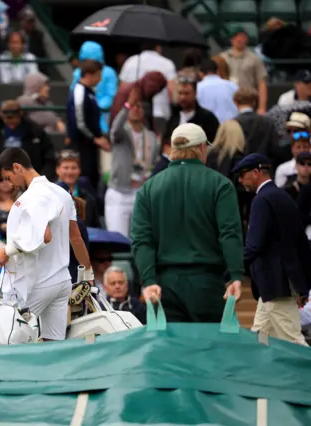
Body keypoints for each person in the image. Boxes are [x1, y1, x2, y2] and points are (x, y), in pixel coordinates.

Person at [130, 123, 244, 322]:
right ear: (201, 148)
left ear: (173, 149)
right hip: (208, 284)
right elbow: (230, 234)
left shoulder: (148, 188)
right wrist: (236, 275)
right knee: (210, 349)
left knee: (169, 351)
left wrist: (148, 280)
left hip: (163, 287)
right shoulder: (220, 184)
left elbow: (141, 240)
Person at [0, 148, 92, 341]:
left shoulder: (33, 197)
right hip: (62, 282)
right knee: (52, 347)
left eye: (8, 177)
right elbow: (76, 238)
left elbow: (43, 235)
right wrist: (88, 273)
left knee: (4, 339)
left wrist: (7, 250)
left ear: (17, 167)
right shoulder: (62, 193)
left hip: (39, 283)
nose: (10, 184)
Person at [234, 154, 311, 345]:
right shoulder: (282, 196)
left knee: (293, 343)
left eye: (243, 175)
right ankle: (259, 375)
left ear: (256, 172)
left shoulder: (262, 200)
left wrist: (231, 266)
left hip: (275, 284)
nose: (240, 180)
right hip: (277, 284)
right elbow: (301, 243)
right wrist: (303, 286)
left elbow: (254, 245)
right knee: (261, 338)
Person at [107, 87, 158, 238]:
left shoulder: (151, 136)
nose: (135, 109)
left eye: (139, 106)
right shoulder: (121, 133)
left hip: (141, 193)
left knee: (141, 239)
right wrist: (127, 104)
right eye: (132, 106)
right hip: (119, 193)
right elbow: (114, 130)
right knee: (118, 240)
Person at [67, 60, 110, 187]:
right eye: (98, 75)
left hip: (90, 145)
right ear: (88, 75)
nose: (100, 79)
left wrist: (99, 137)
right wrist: (95, 138)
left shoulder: (90, 92)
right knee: (85, 179)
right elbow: (79, 122)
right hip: (82, 145)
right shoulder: (79, 91)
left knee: (93, 177)